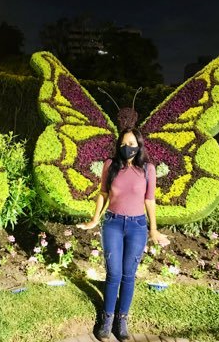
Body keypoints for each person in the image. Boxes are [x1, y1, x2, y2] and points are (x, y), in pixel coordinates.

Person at [77, 127, 169, 341]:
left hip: (137, 226)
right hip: (113, 224)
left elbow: (150, 200)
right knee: (114, 273)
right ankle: (107, 319)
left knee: (129, 275)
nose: (127, 148)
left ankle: (122, 320)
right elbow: (103, 193)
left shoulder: (148, 169)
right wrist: (94, 219)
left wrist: (153, 229)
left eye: (131, 144)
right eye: (123, 144)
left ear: (139, 145)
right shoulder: (111, 165)